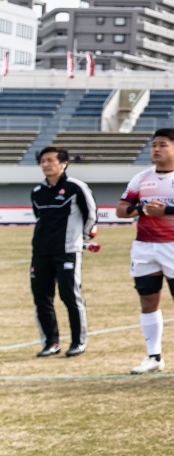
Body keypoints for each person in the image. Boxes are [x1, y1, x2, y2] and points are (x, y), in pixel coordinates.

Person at [117, 127, 174, 374]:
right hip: (144, 247)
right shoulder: (141, 178)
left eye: (162, 145)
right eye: (154, 145)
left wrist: (167, 211)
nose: (156, 149)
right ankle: (154, 357)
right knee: (148, 300)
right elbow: (121, 208)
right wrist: (141, 208)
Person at [29, 147, 94, 357]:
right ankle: (51, 342)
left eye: (50, 160)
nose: (45, 164)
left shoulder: (76, 187)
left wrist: (82, 237)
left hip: (67, 251)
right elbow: (39, 217)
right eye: (42, 161)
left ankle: (78, 342)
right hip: (41, 252)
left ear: (64, 163)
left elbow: (90, 215)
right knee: (42, 298)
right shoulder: (37, 192)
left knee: (70, 296)